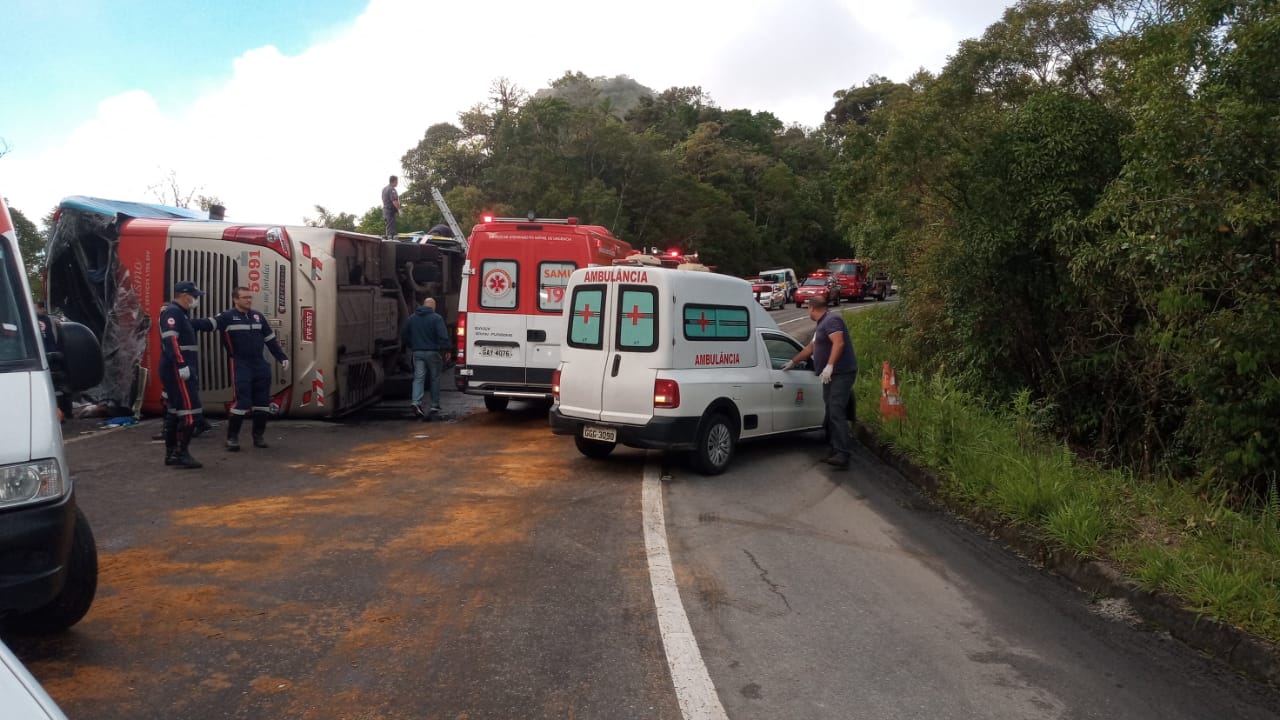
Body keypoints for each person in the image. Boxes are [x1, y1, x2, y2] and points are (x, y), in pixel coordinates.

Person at [209, 287, 290, 450]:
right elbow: (207, 324)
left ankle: (258, 437)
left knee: (262, 403)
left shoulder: (257, 316)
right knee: (242, 402)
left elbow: (270, 339)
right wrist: (184, 323)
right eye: (245, 297)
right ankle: (232, 439)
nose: (249, 300)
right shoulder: (227, 317)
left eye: (250, 297)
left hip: (260, 364)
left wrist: (281, 357)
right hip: (241, 364)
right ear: (235, 300)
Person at [783, 295, 859, 469]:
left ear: (812, 308)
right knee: (830, 410)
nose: (808, 311)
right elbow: (811, 348)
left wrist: (830, 366)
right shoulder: (822, 324)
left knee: (836, 410)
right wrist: (793, 361)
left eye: (807, 308)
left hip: (841, 373)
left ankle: (843, 454)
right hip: (831, 375)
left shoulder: (832, 320)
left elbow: (838, 344)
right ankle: (834, 449)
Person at [158, 281, 211, 469]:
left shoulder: (181, 314)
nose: (195, 300)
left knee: (174, 411)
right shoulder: (173, 313)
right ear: (183, 295)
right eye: (194, 296)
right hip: (178, 369)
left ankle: (171, 453)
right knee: (190, 411)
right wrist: (181, 364)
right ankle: (182, 453)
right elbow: (171, 340)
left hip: (177, 368)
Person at [401, 296, 451, 418]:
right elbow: (443, 336)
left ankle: (416, 402)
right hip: (433, 352)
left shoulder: (412, 318)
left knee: (418, 377)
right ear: (433, 306)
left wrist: (411, 345)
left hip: (417, 353)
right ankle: (434, 404)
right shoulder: (437, 318)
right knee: (435, 378)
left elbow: (404, 334)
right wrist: (447, 350)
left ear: (423, 305)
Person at [382, 175, 401, 240]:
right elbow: (394, 201)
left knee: (388, 229)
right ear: (394, 181)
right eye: (397, 181)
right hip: (390, 212)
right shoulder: (392, 189)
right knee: (391, 233)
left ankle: (389, 240)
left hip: (385, 211)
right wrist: (399, 210)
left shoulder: (384, 189)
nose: (397, 183)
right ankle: (391, 246)